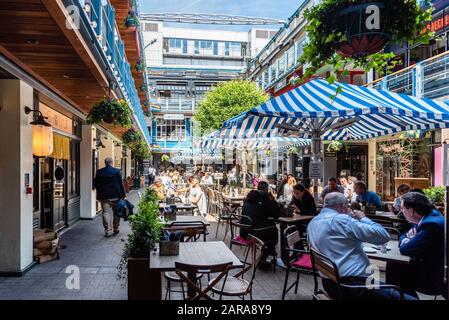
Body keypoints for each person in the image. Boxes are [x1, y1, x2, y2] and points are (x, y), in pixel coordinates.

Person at [307, 192, 413, 300]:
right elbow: (383, 236)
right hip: (355, 286)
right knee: (408, 296)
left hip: (329, 284)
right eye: (347, 206)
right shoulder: (342, 220)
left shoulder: (312, 223)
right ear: (343, 207)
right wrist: (363, 218)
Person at [387, 192, 446, 298]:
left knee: (395, 269)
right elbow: (405, 234)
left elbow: (406, 249)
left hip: (438, 278)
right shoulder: (430, 216)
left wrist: (407, 240)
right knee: (396, 267)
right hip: (430, 266)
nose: (401, 211)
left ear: (411, 211)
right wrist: (408, 238)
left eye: (402, 209)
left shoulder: (431, 224)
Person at [241, 189, 280, 268]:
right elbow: (275, 214)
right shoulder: (259, 206)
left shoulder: (246, 204)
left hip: (245, 232)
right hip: (255, 234)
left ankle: (266, 255)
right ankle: (264, 257)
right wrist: (271, 201)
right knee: (274, 231)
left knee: (271, 229)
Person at [94, 157, 126, 237]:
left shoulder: (99, 172)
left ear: (105, 163)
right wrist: (123, 195)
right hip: (115, 196)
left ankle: (108, 231)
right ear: (112, 163)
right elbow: (121, 184)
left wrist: (100, 190)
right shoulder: (116, 171)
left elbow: (95, 183)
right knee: (117, 213)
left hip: (104, 197)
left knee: (105, 213)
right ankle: (116, 228)